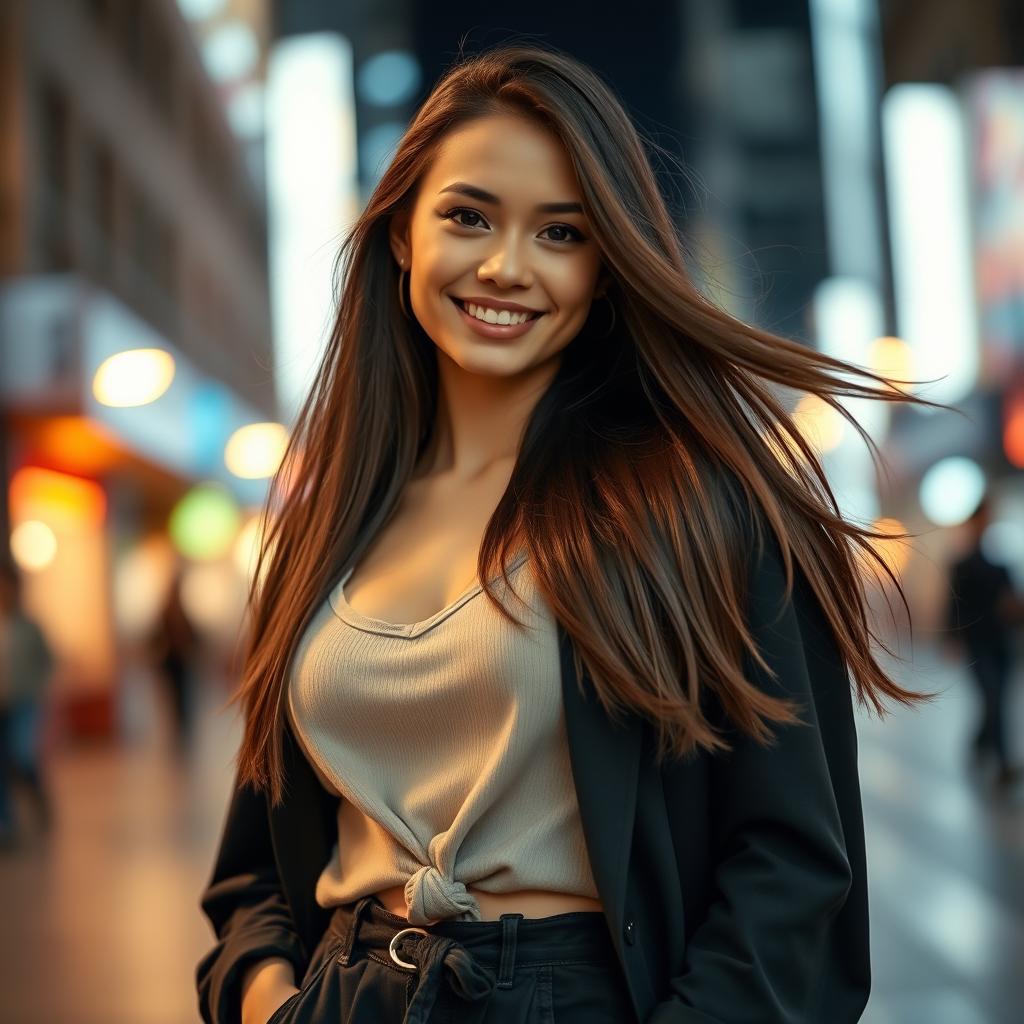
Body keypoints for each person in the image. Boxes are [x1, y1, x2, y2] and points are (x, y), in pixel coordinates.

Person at [196, 43, 942, 1024]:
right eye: (468, 216)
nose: (506, 266)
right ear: (401, 235)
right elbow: (253, 869)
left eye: (562, 232)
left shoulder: (694, 505)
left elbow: (792, 866)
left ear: (605, 268)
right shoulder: (327, 520)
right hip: (343, 990)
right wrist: (267, 1000)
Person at [944, 494, 1023, 788]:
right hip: (978, 644)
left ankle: (982, 747)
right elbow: (952, 605)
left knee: (998, 701)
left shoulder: (1001, 566)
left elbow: (1012, 605)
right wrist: (951, 638)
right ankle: (1000, 762)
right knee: (992, 697)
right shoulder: (962, 564)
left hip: (1002, 643)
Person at [0, 560, 55, 845]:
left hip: (23, 701)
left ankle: (39, 799)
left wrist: (37, 690)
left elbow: (47, 662)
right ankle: (6, 822)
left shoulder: (29, 626)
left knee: (21, 756)